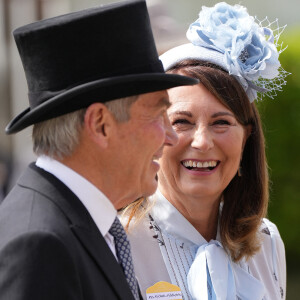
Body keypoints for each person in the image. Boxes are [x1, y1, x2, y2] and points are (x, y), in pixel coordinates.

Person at [0, 0, 198, 299]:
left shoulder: (76, 223)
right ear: (101, 124)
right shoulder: (41, 244)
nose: (171, 137)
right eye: (157, 115)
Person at [123, 2, 289, 300]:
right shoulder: (117, 244)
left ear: (246, 138)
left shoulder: (268, 241)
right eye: (182, 122)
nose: (201, 142)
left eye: (221, 122)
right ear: (153, 133)